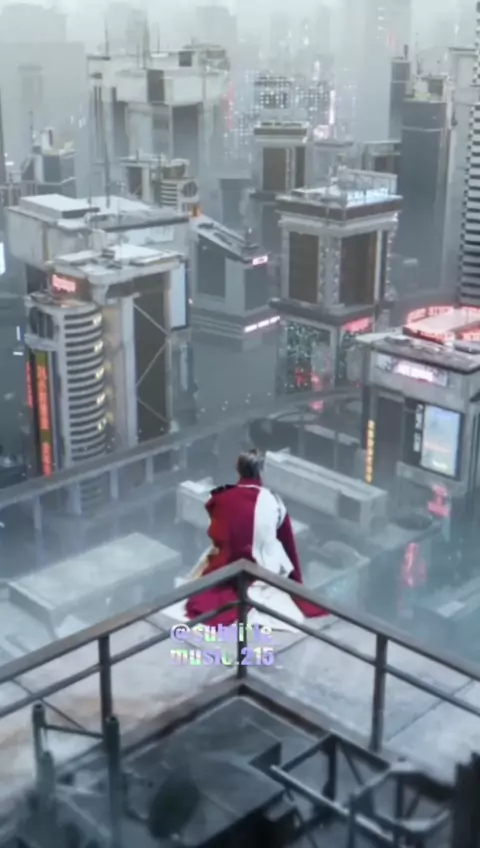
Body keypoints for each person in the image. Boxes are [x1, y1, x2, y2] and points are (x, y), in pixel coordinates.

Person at [176, 450, 328, 629]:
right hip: (263, 567)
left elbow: (218, 534)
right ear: (261, 471)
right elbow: (287, 543)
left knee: (207, 565)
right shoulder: (274, 502)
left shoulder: (223, 497)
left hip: (230, 565)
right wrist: (295, 582)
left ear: (238, 469)